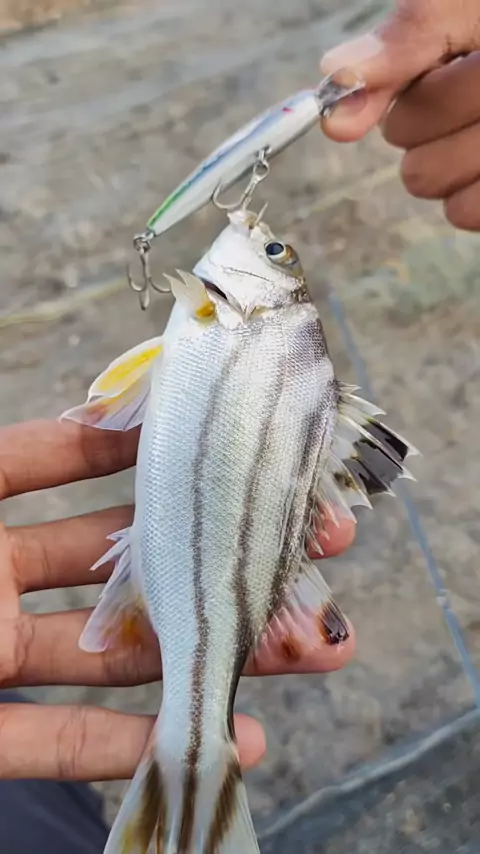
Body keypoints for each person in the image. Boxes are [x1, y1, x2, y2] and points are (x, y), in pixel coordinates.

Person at [2, 1, 480, 847]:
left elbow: (120, 395)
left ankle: (190, 770)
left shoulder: (219, 317)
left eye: (276, 254)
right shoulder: (218, 318)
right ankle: (194, 773)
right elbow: (122, 397)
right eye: (279, 254)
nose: (263, 239)